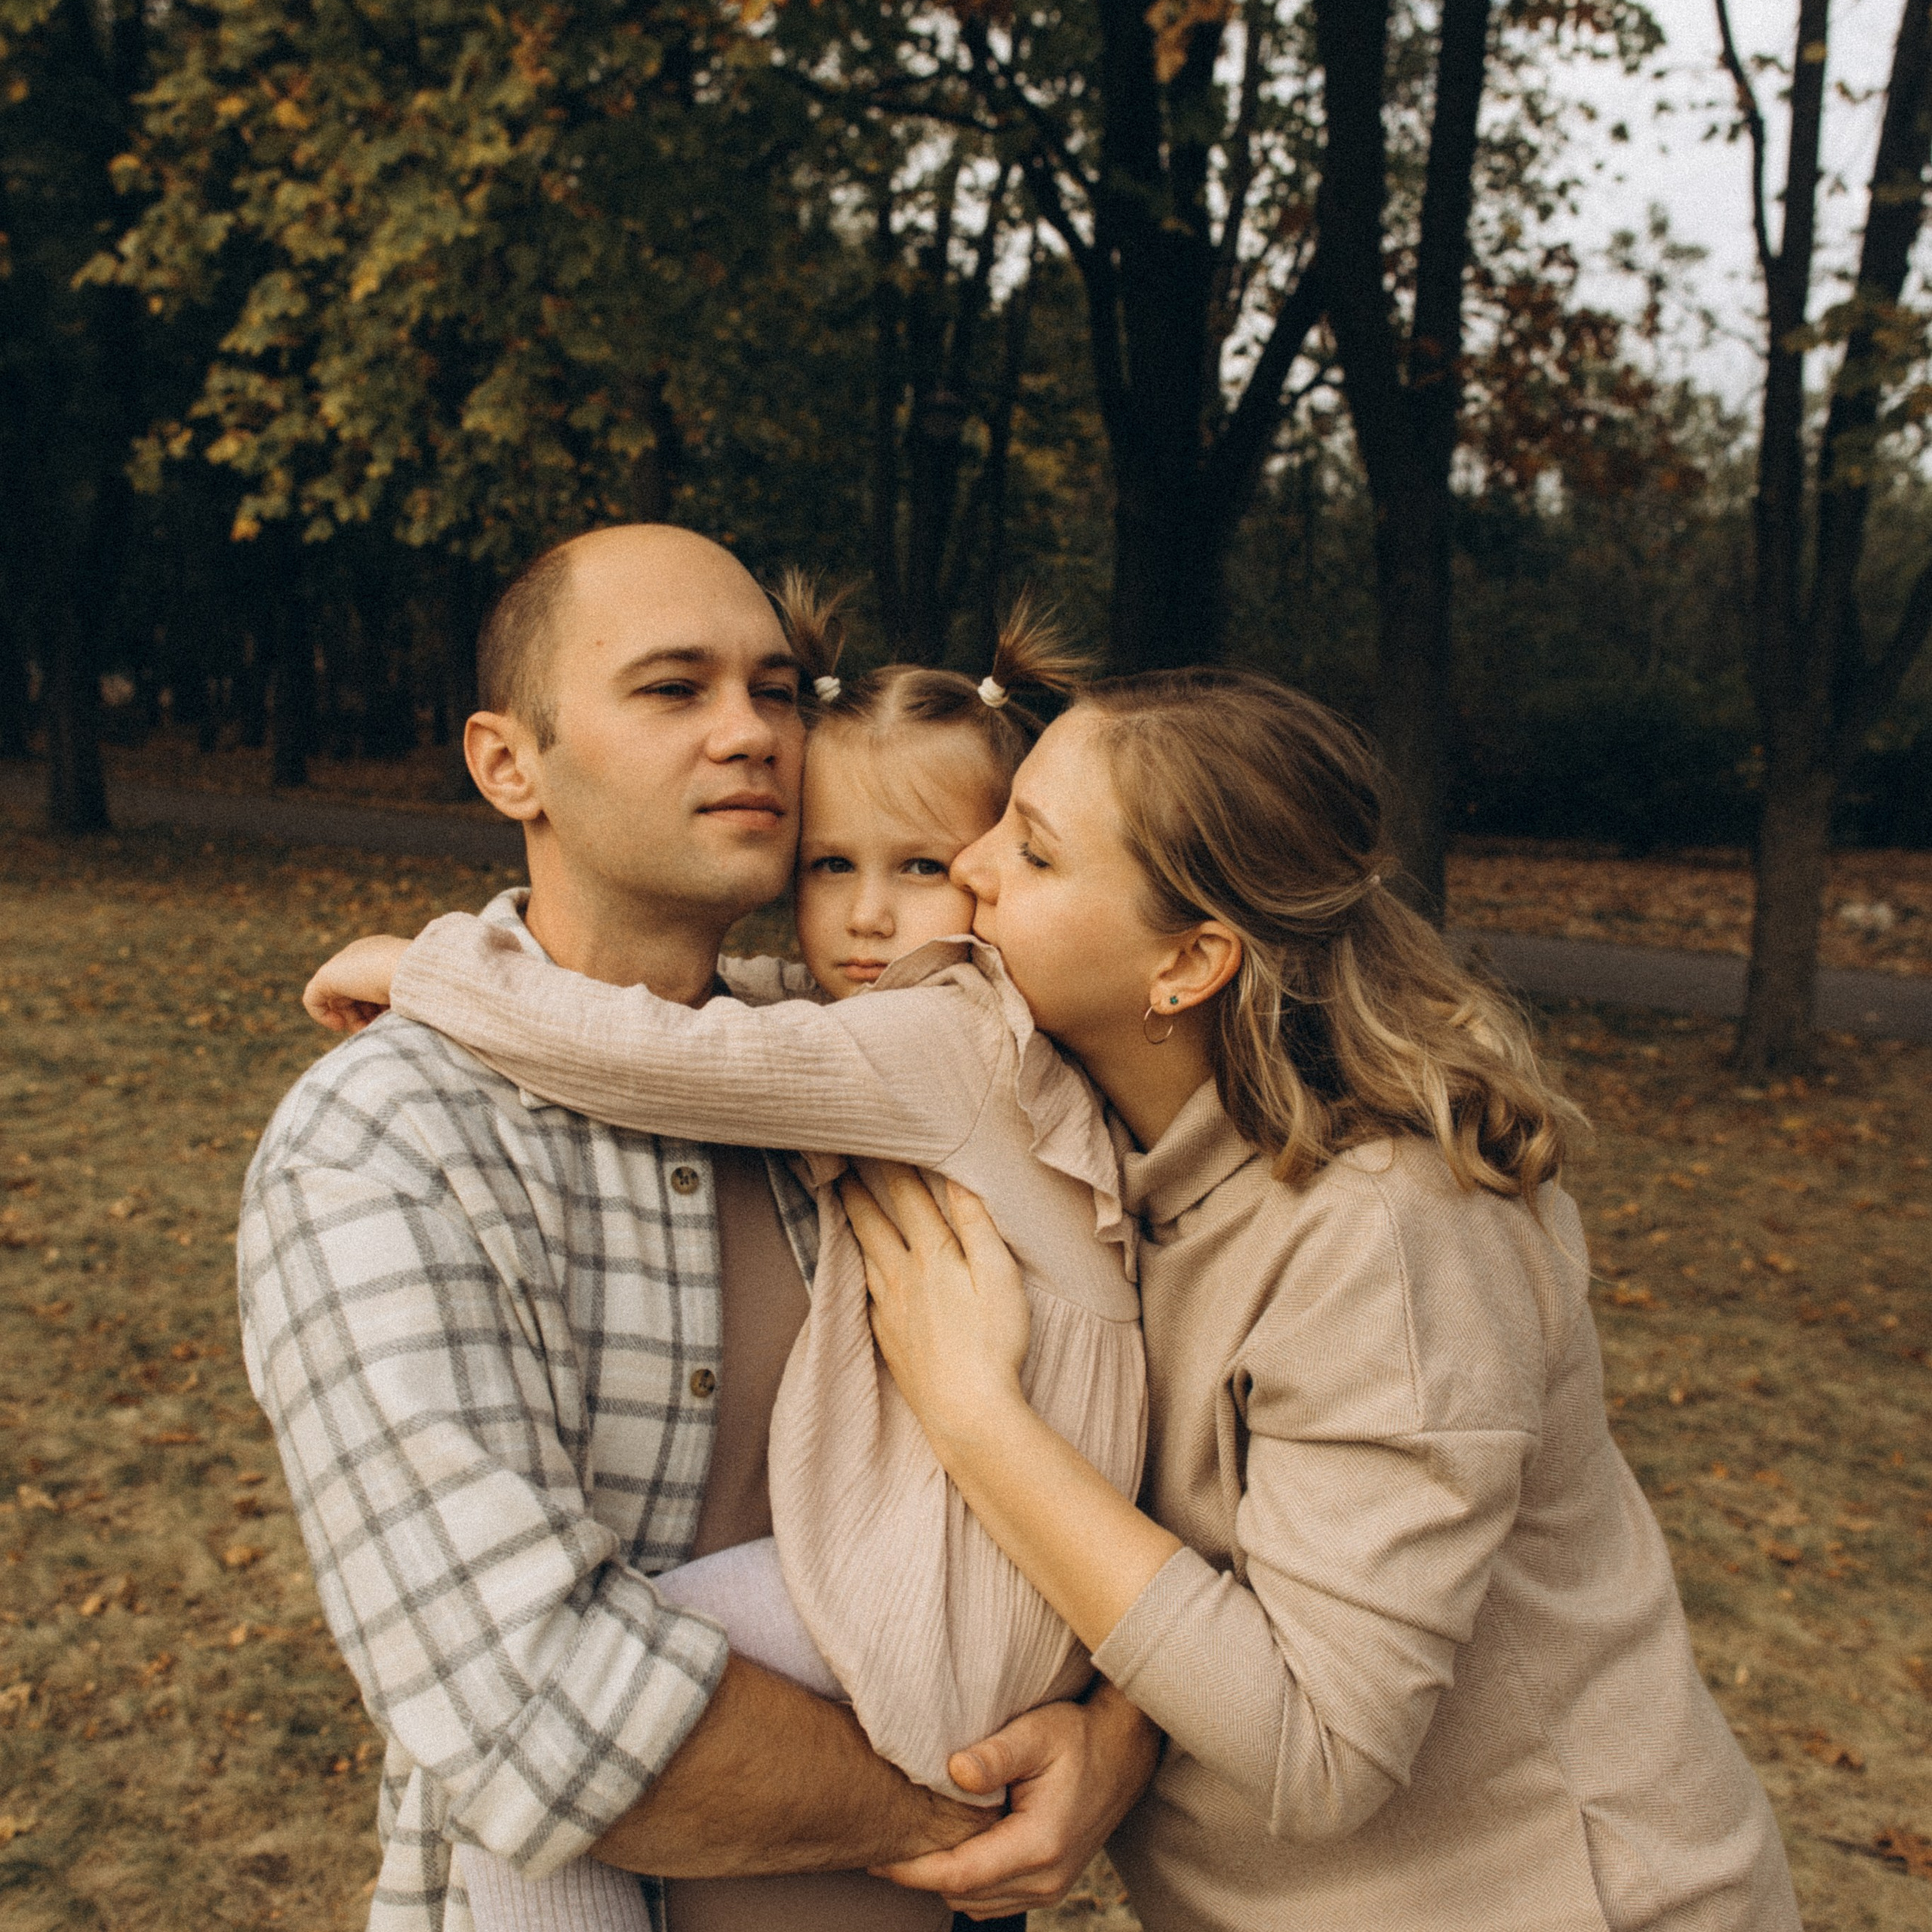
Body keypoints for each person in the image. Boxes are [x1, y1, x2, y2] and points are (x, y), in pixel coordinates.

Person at [238, 525, 1155, 1932]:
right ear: (507, 765)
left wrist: (1114, 1740)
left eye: (778, 691)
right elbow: (529, 1707)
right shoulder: (389, 1139)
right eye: (675, 690)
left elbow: (1194, 1481)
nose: (754, 737)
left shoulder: (862, 1063)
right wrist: (950, 1824)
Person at [831, 668, 1804, 1930]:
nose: (966, 865)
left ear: (1188, 962)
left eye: (1032, 847)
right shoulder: (1097, 1151)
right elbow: (1224, 1563)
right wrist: (1116, 1730)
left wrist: (978, 1422)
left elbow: (1323, 1744)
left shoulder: (1394, 1231)